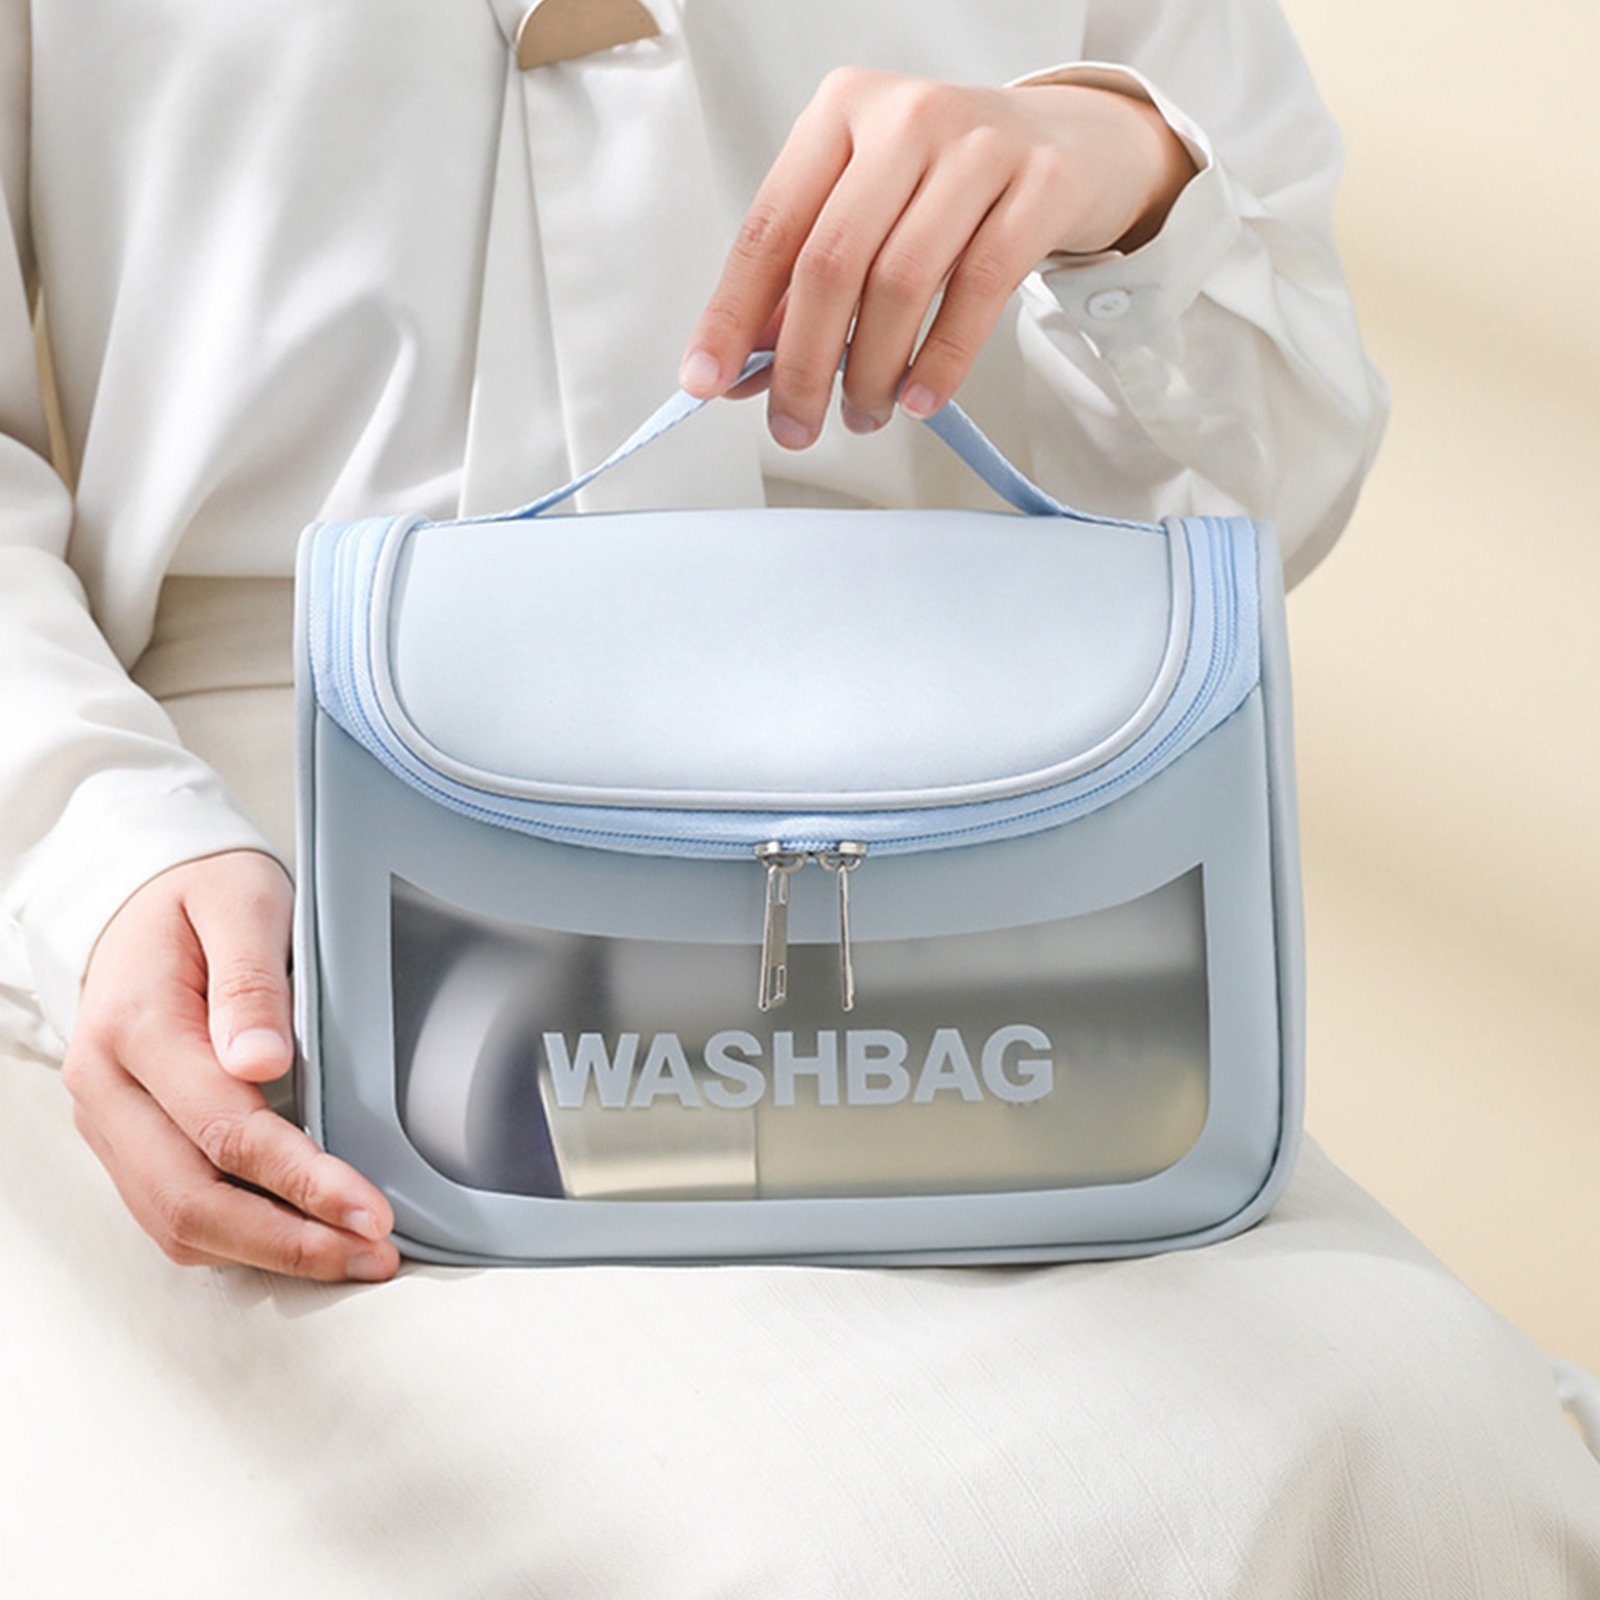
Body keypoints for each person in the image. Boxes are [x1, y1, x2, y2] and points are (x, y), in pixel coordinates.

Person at [4, 4, 1595, 1595]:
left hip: (973, 836)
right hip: (276, 879)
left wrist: (1122, 180)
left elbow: (1269, 491)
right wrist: (103, 846)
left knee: (1445, 1444)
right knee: (840, 1540)